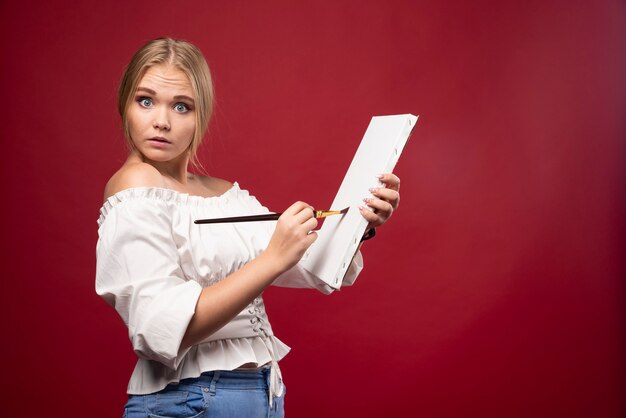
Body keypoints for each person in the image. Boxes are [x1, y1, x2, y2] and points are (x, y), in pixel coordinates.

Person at [96, 37, 401, 418]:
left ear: (200, 115)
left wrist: (362, 218)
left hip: (262, 396)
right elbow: (158, 329)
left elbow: (310, 264)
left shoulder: (224, 193)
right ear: (124, 105)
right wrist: (271, 258)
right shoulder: (135, 187)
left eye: (181, 106)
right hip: (187, 401)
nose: (161, 120)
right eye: (145, 101)